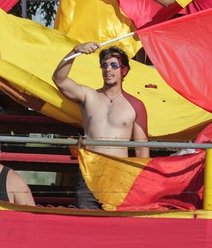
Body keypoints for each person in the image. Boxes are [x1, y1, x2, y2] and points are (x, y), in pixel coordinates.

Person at [52, 43, 149, 209]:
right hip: (90, 173)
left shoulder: (136, 105)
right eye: (104, 65)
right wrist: (75, 51)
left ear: (123, 70)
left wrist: (142, 186)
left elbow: (142, 151)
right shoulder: (89, 96)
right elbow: (59, 79)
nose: (108, 69)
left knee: (115, 229)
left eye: (113, 65)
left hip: (119, 175)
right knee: (87, 227)